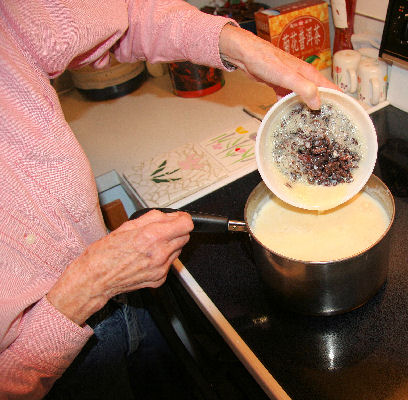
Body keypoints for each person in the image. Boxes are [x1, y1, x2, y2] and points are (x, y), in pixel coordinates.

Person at [0, 0, 338, 398]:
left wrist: (245, 48)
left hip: (114, 291)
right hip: (44, 367)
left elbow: (120, 16)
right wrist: (86, 288)